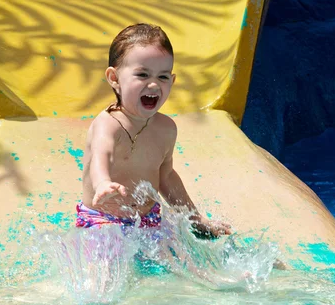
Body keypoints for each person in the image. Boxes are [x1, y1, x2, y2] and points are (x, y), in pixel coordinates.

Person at [76, 23, 231, 237]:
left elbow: (166, 176)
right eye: (142, 75)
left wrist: (195, 218)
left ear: (172, 80)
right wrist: (102, 183)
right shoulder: (108, 124)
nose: (154, 84)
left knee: (182, 260)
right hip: (104, 221)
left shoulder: (166, 128)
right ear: (114, 78)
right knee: (110, 264)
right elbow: (101, 156)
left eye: (163, 77)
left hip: (148, 218)